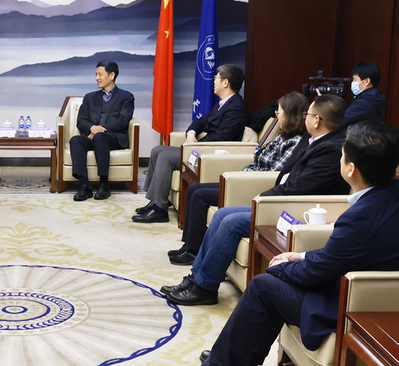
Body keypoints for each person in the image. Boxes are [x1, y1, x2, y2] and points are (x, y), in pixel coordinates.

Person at [199, 120, 399, 366]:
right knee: (271, 287)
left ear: (351, 169)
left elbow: (317, 272)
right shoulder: (390, 194)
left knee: (263, 286)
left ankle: (221, 363)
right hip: (374, 292)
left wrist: (282, 267)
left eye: (342, 155)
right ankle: (237, 358)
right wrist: (302, 256)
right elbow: (345, 253)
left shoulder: (359, 218)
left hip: (348, 303)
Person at [163, 95, 351, 306]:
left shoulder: (330, 149)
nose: (304, 117)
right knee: (222, 214)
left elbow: (299, 189)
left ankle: (205, 288)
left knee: (231, 223)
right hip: (280, 202)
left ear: (316, 120)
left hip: (295, 211)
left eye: (308, 114)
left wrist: (264, 197)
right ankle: (195, 278)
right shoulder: (313, 138)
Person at [169, 92, 308, 265]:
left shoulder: (295, 143)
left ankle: (193, 251)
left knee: (199, 195)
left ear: (291, 115)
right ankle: (188, 245)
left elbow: (276, 171)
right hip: (244, 178)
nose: (277, 115)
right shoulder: (282, 136)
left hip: (250, 185)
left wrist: (242, 179)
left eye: (279, 112)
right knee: (193, 190)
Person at [134, 64, 247, 223]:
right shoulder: (222, 103)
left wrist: (194, 147)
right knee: (157, 150)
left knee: (165, 156)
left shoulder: (236, 108)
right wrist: (191, 133)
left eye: (216, 78)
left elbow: (220, 139)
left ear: (225, 82)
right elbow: (201, 121)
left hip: (210, 155)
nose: (213, 81)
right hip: (201, 148)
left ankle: (159, 210)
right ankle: (155, 201)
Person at [69, 61, 135, 201]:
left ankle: (104, 184)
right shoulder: (90, 97)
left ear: (111, 75)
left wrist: (100, 130)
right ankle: (85, 186)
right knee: (76, 140)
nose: (97, 78)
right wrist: (92, 128)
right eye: (96, 75)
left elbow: (123, 121)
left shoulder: (126, 97)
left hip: (113, 137)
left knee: (100, 137)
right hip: (92, 136)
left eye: (100, 74)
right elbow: (81, 120)